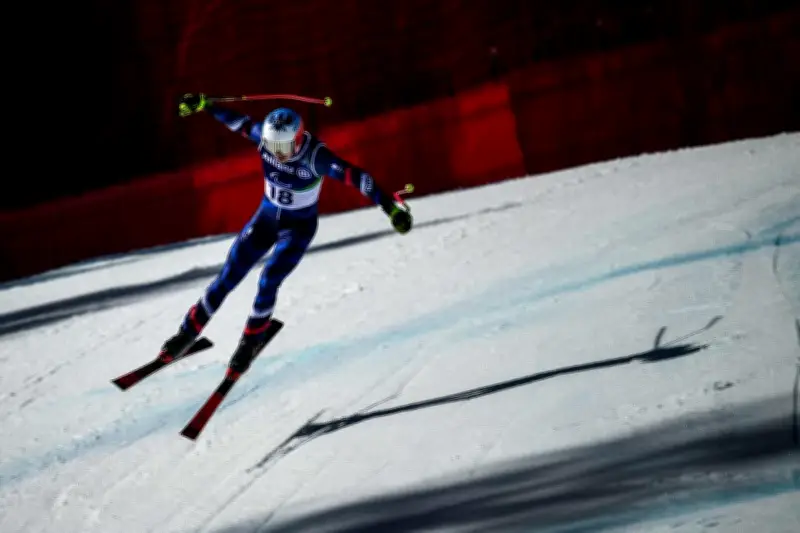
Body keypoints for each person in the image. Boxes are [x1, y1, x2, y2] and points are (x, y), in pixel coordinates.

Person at [159, 93, 413, 373]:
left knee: (268, 279)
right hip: (265, 220)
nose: (276, 152)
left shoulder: (316, 157)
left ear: (299, 138)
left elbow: (357, 177)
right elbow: (239, 123)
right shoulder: (266, 141)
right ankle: (187, 332)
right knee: (229, 274)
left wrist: (390, 208)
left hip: (297, 230)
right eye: (271, 145)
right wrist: (206, 106)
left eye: (283, 146)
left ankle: (250, 340)